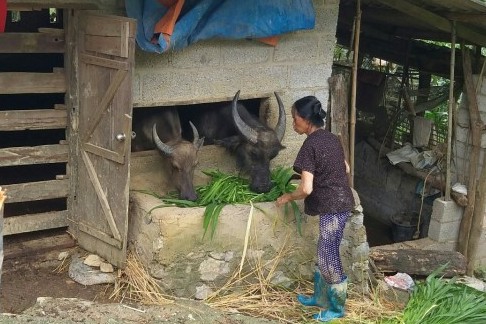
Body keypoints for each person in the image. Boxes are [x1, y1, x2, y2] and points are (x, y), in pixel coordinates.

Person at [276, 96, 354, 322]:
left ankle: (337, 309)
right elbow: (345, 167)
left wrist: (288, 197)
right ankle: (320, 298)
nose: (293, 123)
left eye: (294, 118)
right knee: (323, 250)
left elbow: (306, 189)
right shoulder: (331, 138)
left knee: (329, 255)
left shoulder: (310, 145)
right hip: (340, 201)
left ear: (306, 119)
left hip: (333, 206)